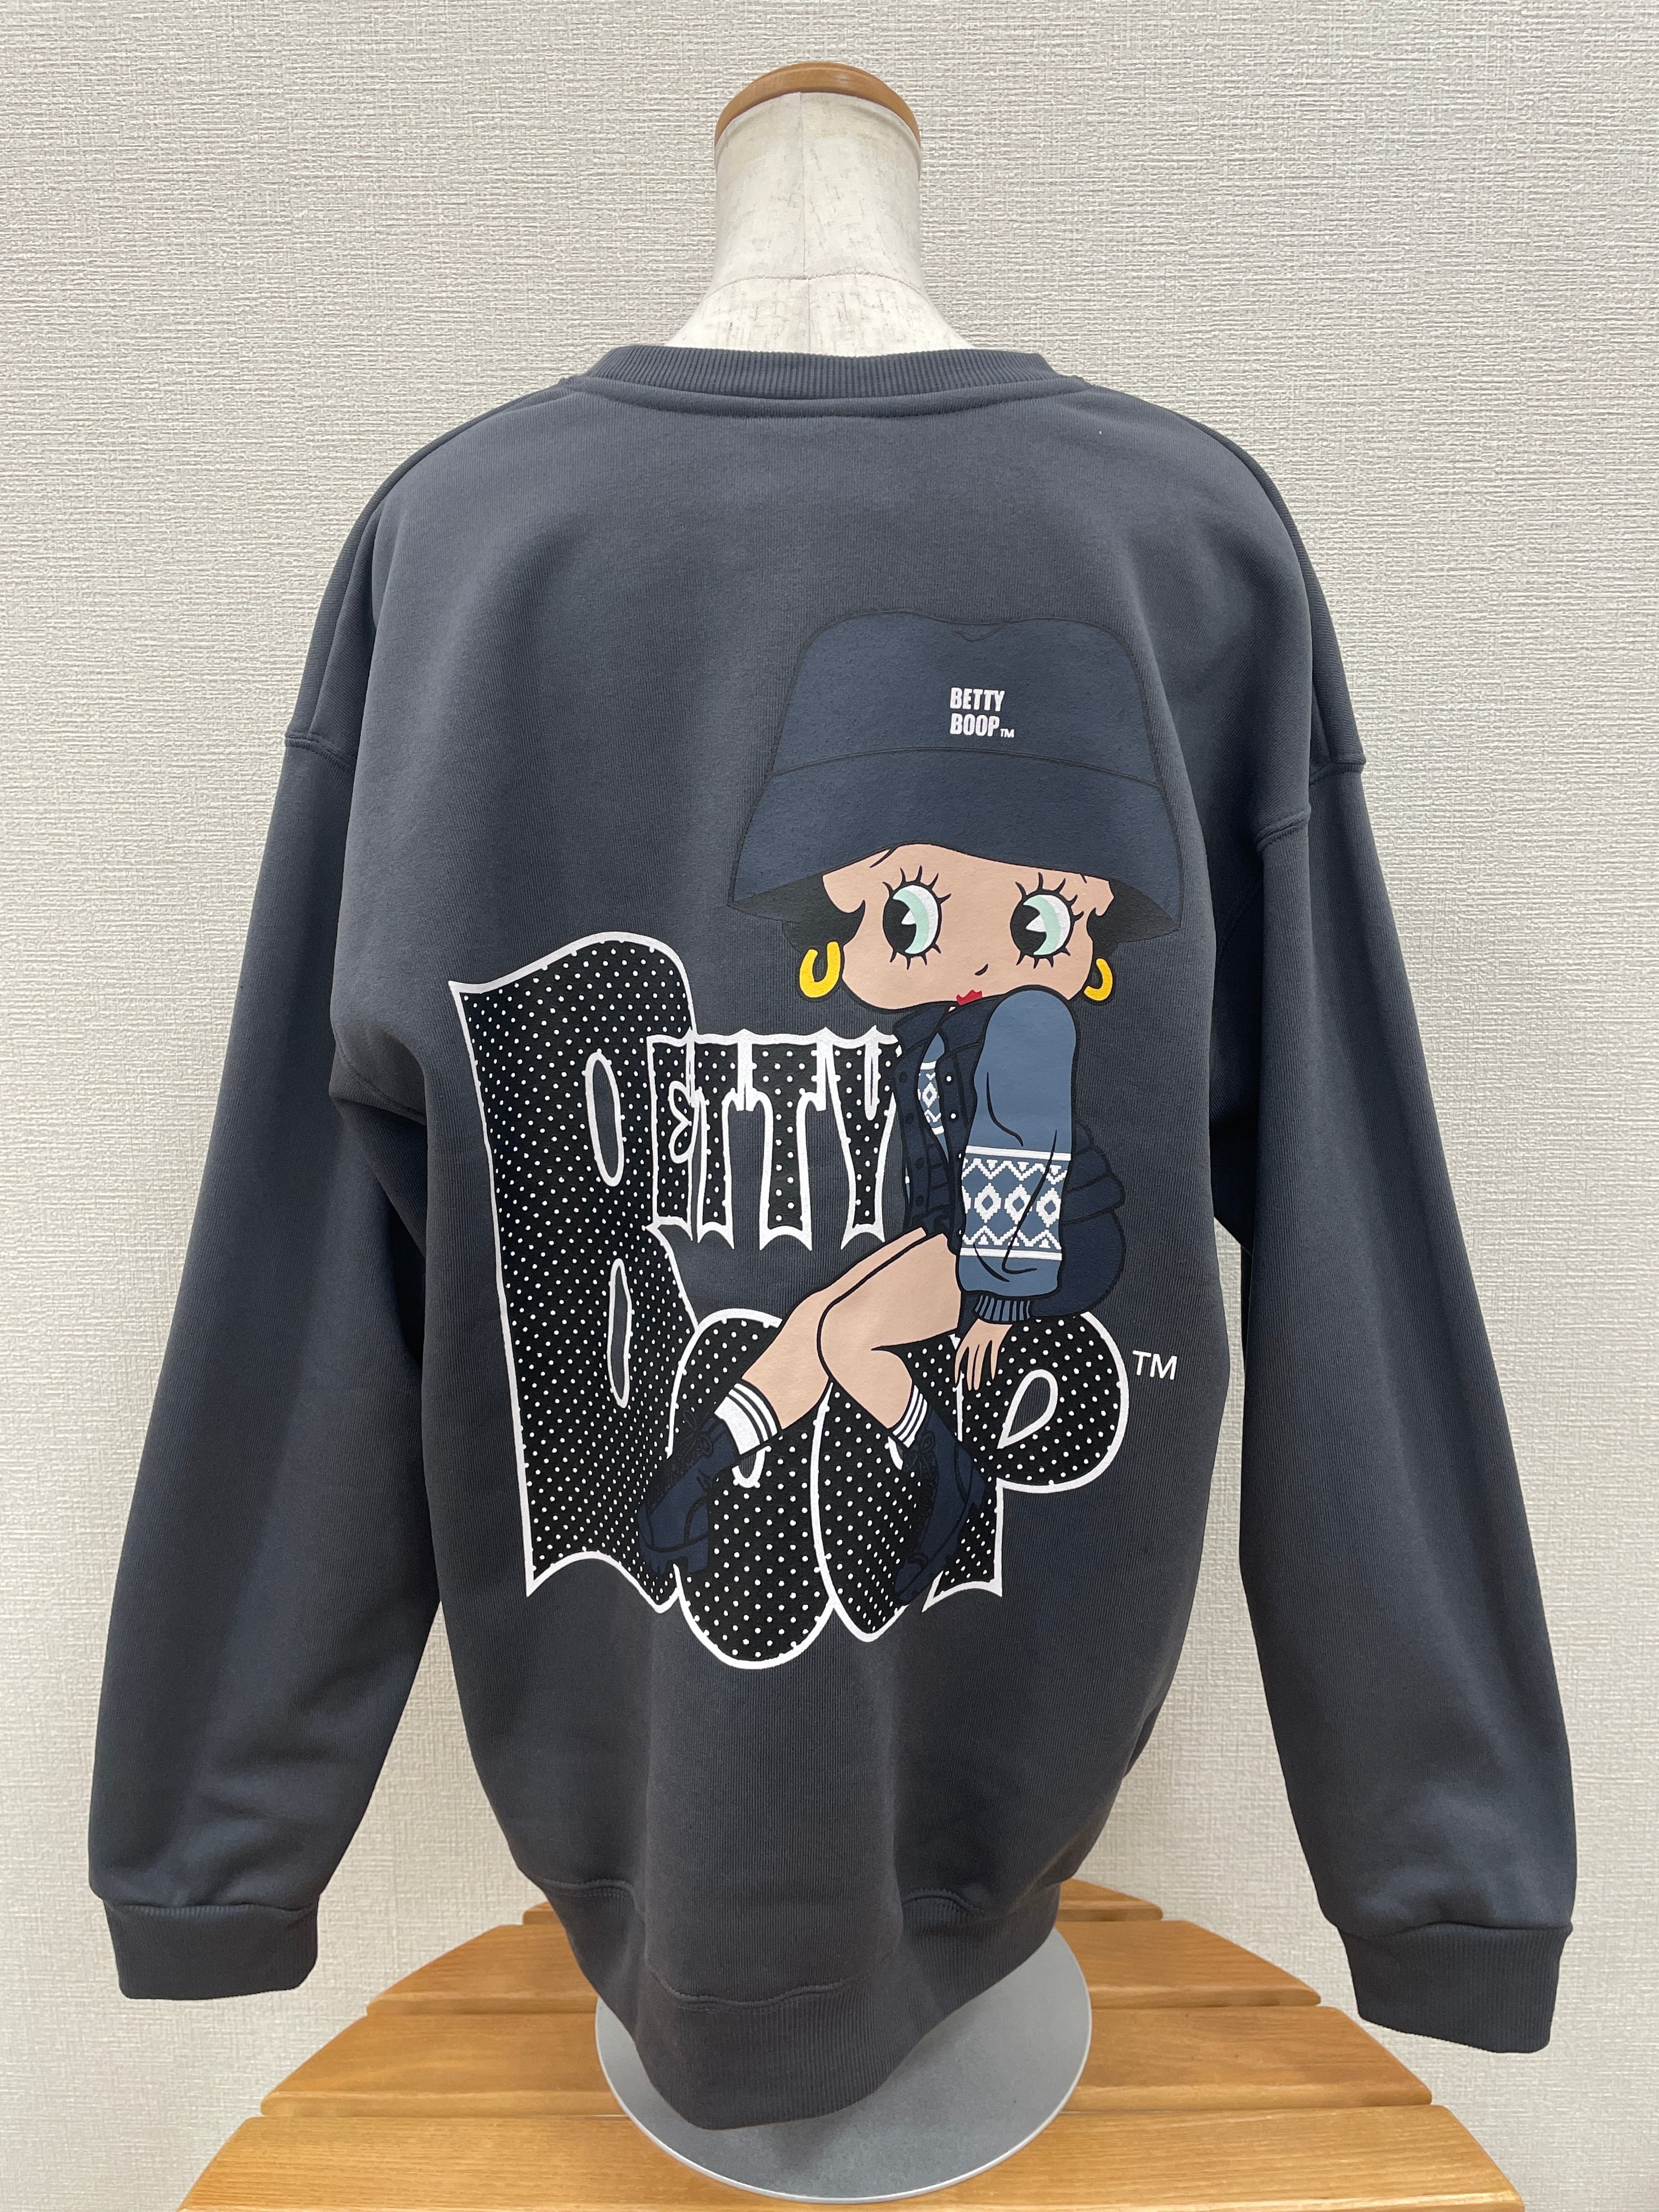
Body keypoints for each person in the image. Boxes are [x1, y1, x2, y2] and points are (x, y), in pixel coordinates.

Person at [639, 613, 1180, 1602]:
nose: (977, 954)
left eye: (1035, 920)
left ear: (1090, 909)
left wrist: (1001, 1296)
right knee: (817, 1315)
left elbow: (1025, 1142)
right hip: (969, 1232)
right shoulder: (936, 1028)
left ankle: (946, 1472)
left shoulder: (1026, 1019)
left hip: (1050, 1237)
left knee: (850, 1333)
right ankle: (695, 1476)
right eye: (914, 915)